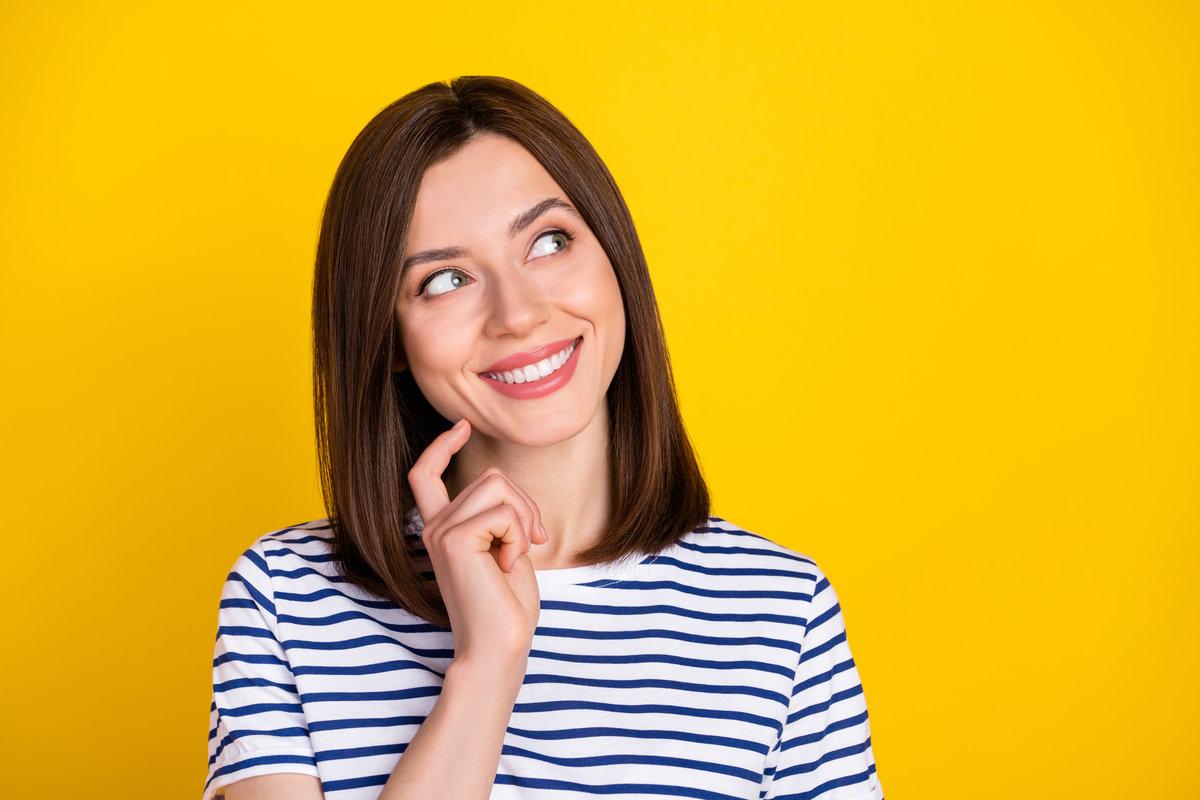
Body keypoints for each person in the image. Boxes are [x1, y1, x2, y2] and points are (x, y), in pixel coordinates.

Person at [203, 75, 884, 800]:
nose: (518, 314)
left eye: (549, 241)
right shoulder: (288, 597)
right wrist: (487, 665)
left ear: (615, 255)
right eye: (443, 281)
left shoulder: (780, 610)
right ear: (388, 337)